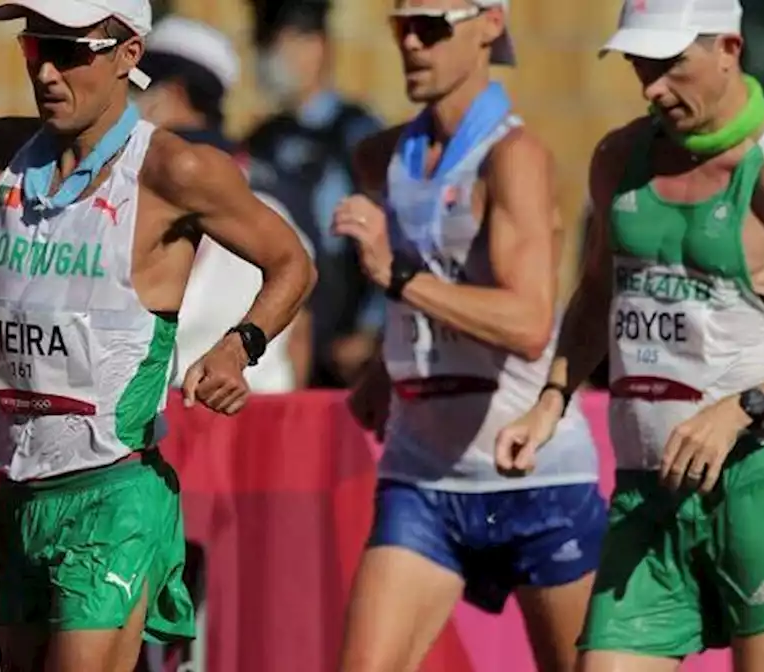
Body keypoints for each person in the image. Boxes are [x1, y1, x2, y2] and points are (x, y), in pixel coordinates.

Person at [0, 1, 317, 670]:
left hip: (115, 494)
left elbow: (292, 261)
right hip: (20, 493)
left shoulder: (173, 172)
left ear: (129, 54)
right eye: (35, 48)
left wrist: (240, 347)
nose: (47, 71)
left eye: (71, 52)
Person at [497, 0, 764, 669]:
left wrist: (741, 410)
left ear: (729, 47)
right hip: (646, 490)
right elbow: (597, 295)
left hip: (760, 484)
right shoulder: (618, 158)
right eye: (640, 63)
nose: (651, 85)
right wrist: (552, 400)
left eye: (669, 63)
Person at [334, 1, 605, 670]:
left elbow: (527, 321)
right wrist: (383, 365)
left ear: (489, 25)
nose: (414, 44)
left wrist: (396, 281)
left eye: (433, 26)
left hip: (532, 475)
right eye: (403, 27)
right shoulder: (379, 158)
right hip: (423, 475)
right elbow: (435, 275)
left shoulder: (513, 158)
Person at [136, 15, 315, 393]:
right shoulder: (278, 184)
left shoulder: (150, 179)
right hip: (260, 419)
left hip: (178, 417)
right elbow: (301, 331)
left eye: (139, 83)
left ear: (174, 93)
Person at [243, 0, 387, 388]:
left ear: (317, 46)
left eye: (280, 43)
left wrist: (369, 331)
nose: (270, 57)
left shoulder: (358, 135)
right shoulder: (262, 140)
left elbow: (393, 229)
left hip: (341, 355)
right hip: (277, 345)